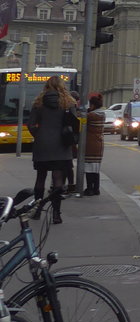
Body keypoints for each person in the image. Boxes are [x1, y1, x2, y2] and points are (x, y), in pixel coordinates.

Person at [27, 75, 77, 223]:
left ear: (46, 85)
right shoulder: (68, 103)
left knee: (40, 178)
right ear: (62, 85)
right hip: (61, 145)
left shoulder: (38, 102)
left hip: (42, 145)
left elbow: (30, 125)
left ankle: (36, 211)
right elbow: (74, 125)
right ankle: (56, 214)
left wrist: (39, 135)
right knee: (58, 179)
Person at [82, 93, 105, 196]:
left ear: (93, 105)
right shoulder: (102, 114)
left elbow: (82, 120)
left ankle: (89, 189)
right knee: (96, 168)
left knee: (88, 167)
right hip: (99, 143)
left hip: (90, 143)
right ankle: (96, 188)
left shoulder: (91, 115)